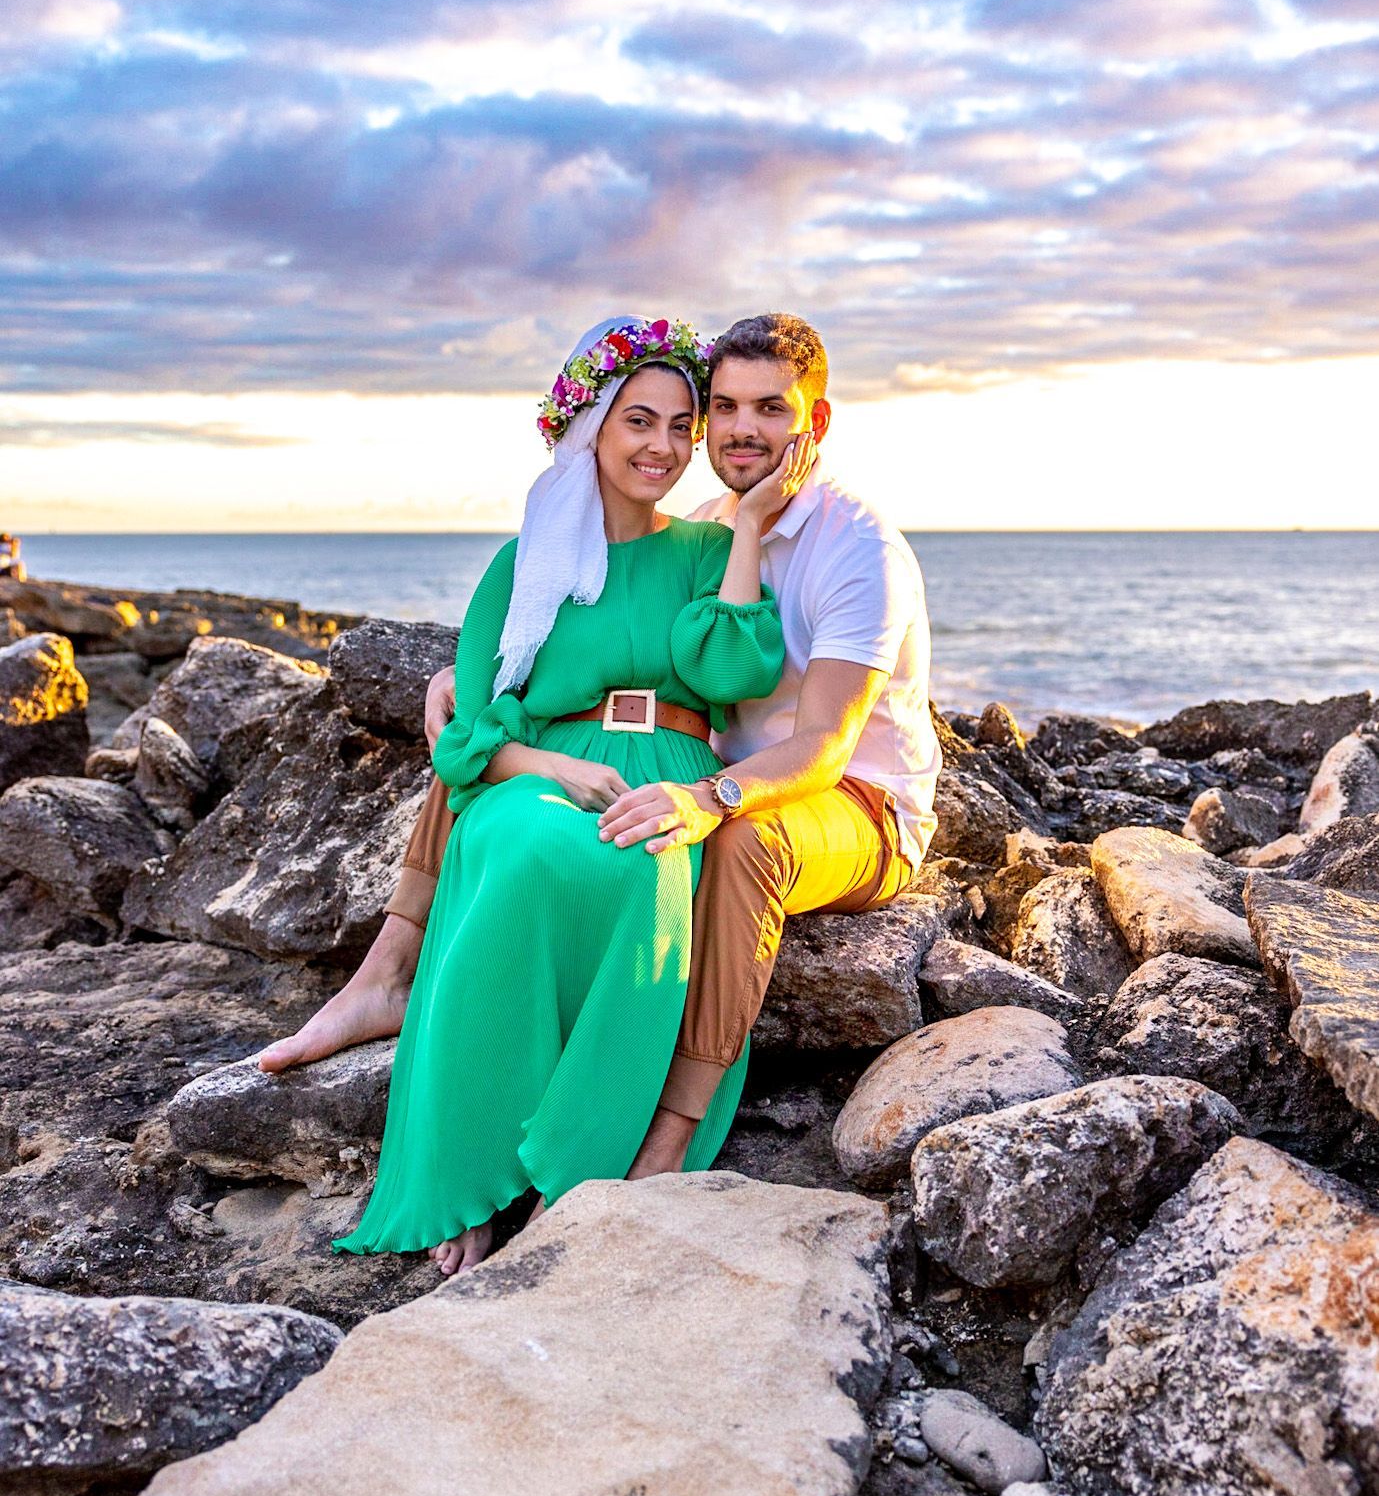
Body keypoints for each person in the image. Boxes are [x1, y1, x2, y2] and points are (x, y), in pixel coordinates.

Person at [265, 312, 942, 1187]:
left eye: (770, 409)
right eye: (724, 407)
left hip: (853, 802)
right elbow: (605, 624)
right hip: (724, 769)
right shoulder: (708, 521)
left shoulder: (856, 545)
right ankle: (386, 978)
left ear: (812, 423)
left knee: (742, 843)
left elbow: (820, 746)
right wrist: (468, 678)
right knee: (515, 745)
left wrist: (709, 800)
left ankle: (667, 1129)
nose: (740, 428)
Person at [332, 315, 785, 1273]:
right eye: (637, 422)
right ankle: (473, 1172)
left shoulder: (702, 550)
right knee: (532, 851)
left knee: (642, 866)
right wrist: (550, 768)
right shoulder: (522, 565)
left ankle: (584, 1161)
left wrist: (745, 526)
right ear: (591, 427)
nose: (661, 446)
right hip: (535, 774)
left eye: (679, 425)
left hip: (670, 771)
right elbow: (468, 738)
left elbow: (736, 665)